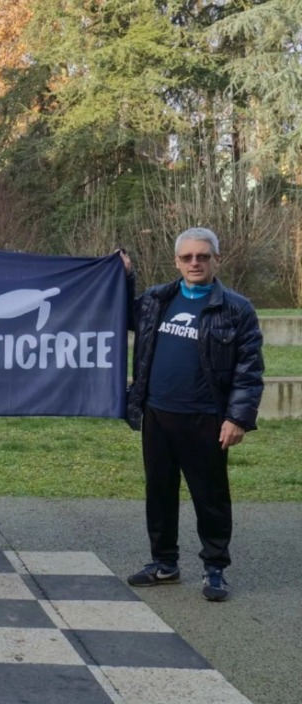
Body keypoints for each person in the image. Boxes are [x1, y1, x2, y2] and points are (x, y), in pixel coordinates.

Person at [122, 228, 263, 602]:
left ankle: (214, 568)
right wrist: (123, 275)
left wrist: (238, 418)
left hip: (207, 419)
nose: (195, 263)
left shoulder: (236, 309)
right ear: (176, 262)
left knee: (211, 497)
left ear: (217, 259)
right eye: (187, 257)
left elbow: (249, 370)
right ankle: (164, 563)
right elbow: (119, 314)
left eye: (202, 256)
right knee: (159, 492)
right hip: (157, 414)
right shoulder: (156, 299)